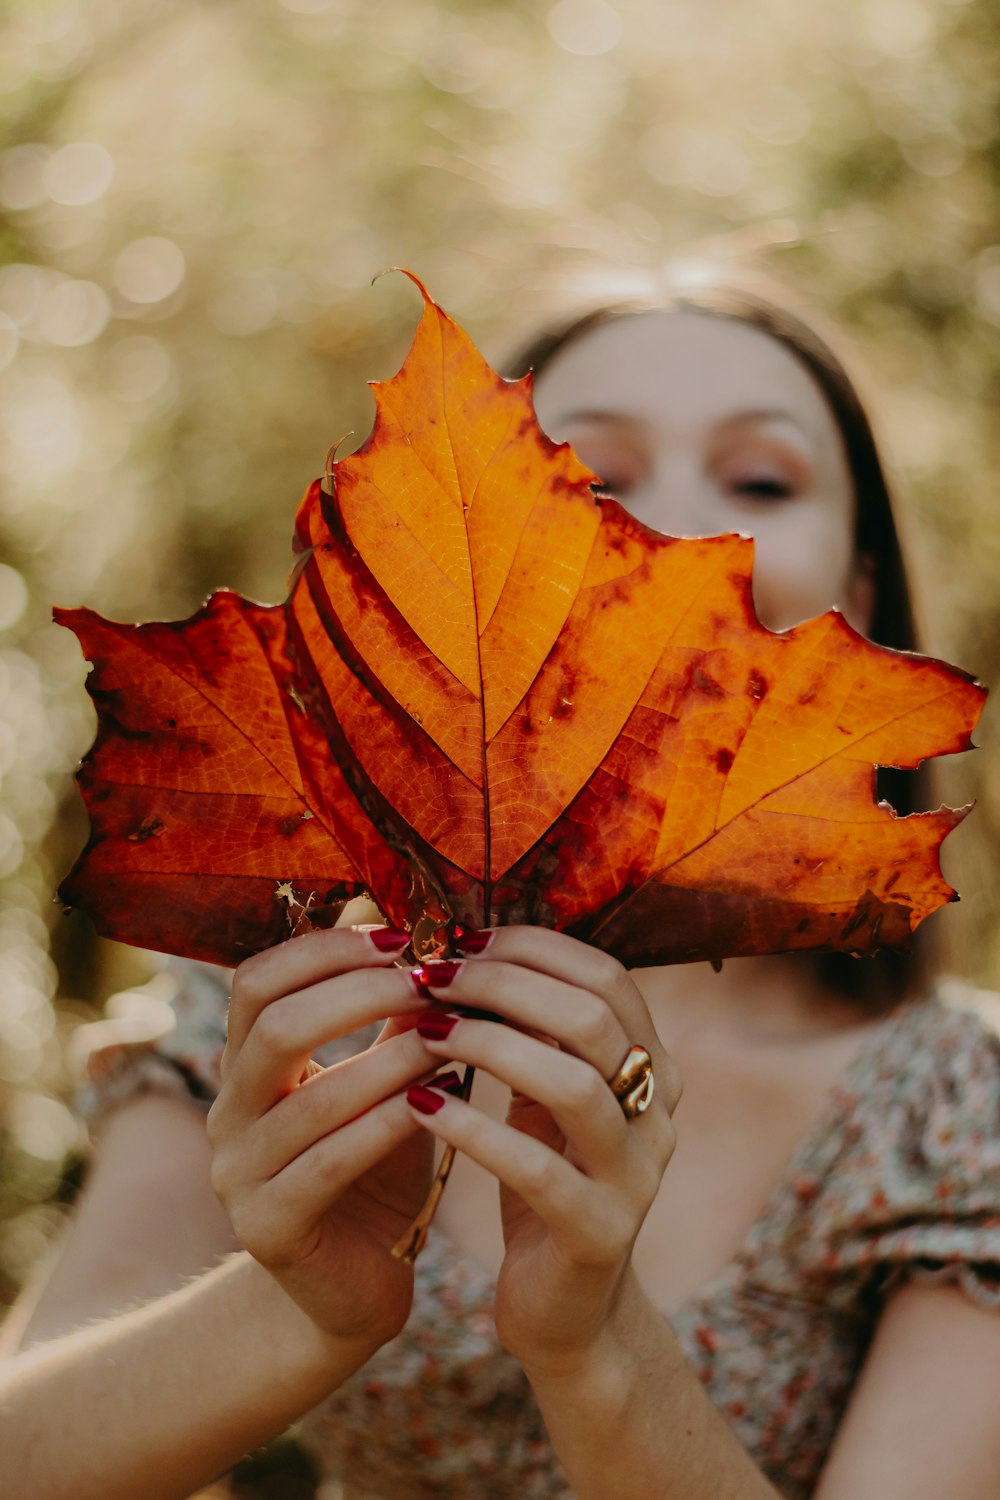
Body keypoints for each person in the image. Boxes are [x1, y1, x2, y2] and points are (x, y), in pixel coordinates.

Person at [2, 281, 999, 1500]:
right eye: (592, 471)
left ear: (861, 579)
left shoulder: (958, 1112)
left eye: (758, 483)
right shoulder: (287, 1000)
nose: (671, 517)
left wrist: (594, 1345)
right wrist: (300, 1314)